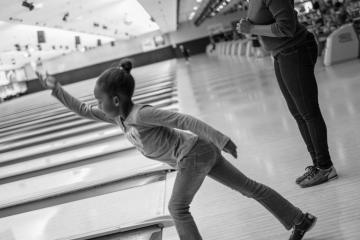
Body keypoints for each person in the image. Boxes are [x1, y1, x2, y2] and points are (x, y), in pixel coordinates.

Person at [37, 59, 317, 240]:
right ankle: (299, 219)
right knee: (248, 187)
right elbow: (83, 110)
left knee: (177, 207)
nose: (96, 105)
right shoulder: (116, 116)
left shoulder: (141, 114)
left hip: (194, 153)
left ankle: (297, 219)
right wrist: (56, 88)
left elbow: (183, 119)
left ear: (115, 98)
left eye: (99, 100)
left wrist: (220, 138)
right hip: (198, 152)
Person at [237, 0, 337, 188]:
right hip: (281, 53)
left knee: (308, 112)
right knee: (298, 113)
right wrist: (252, 27)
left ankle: (326, 166)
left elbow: (287, 28)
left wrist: (252, 28)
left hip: (295, 49)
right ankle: (318, 165)